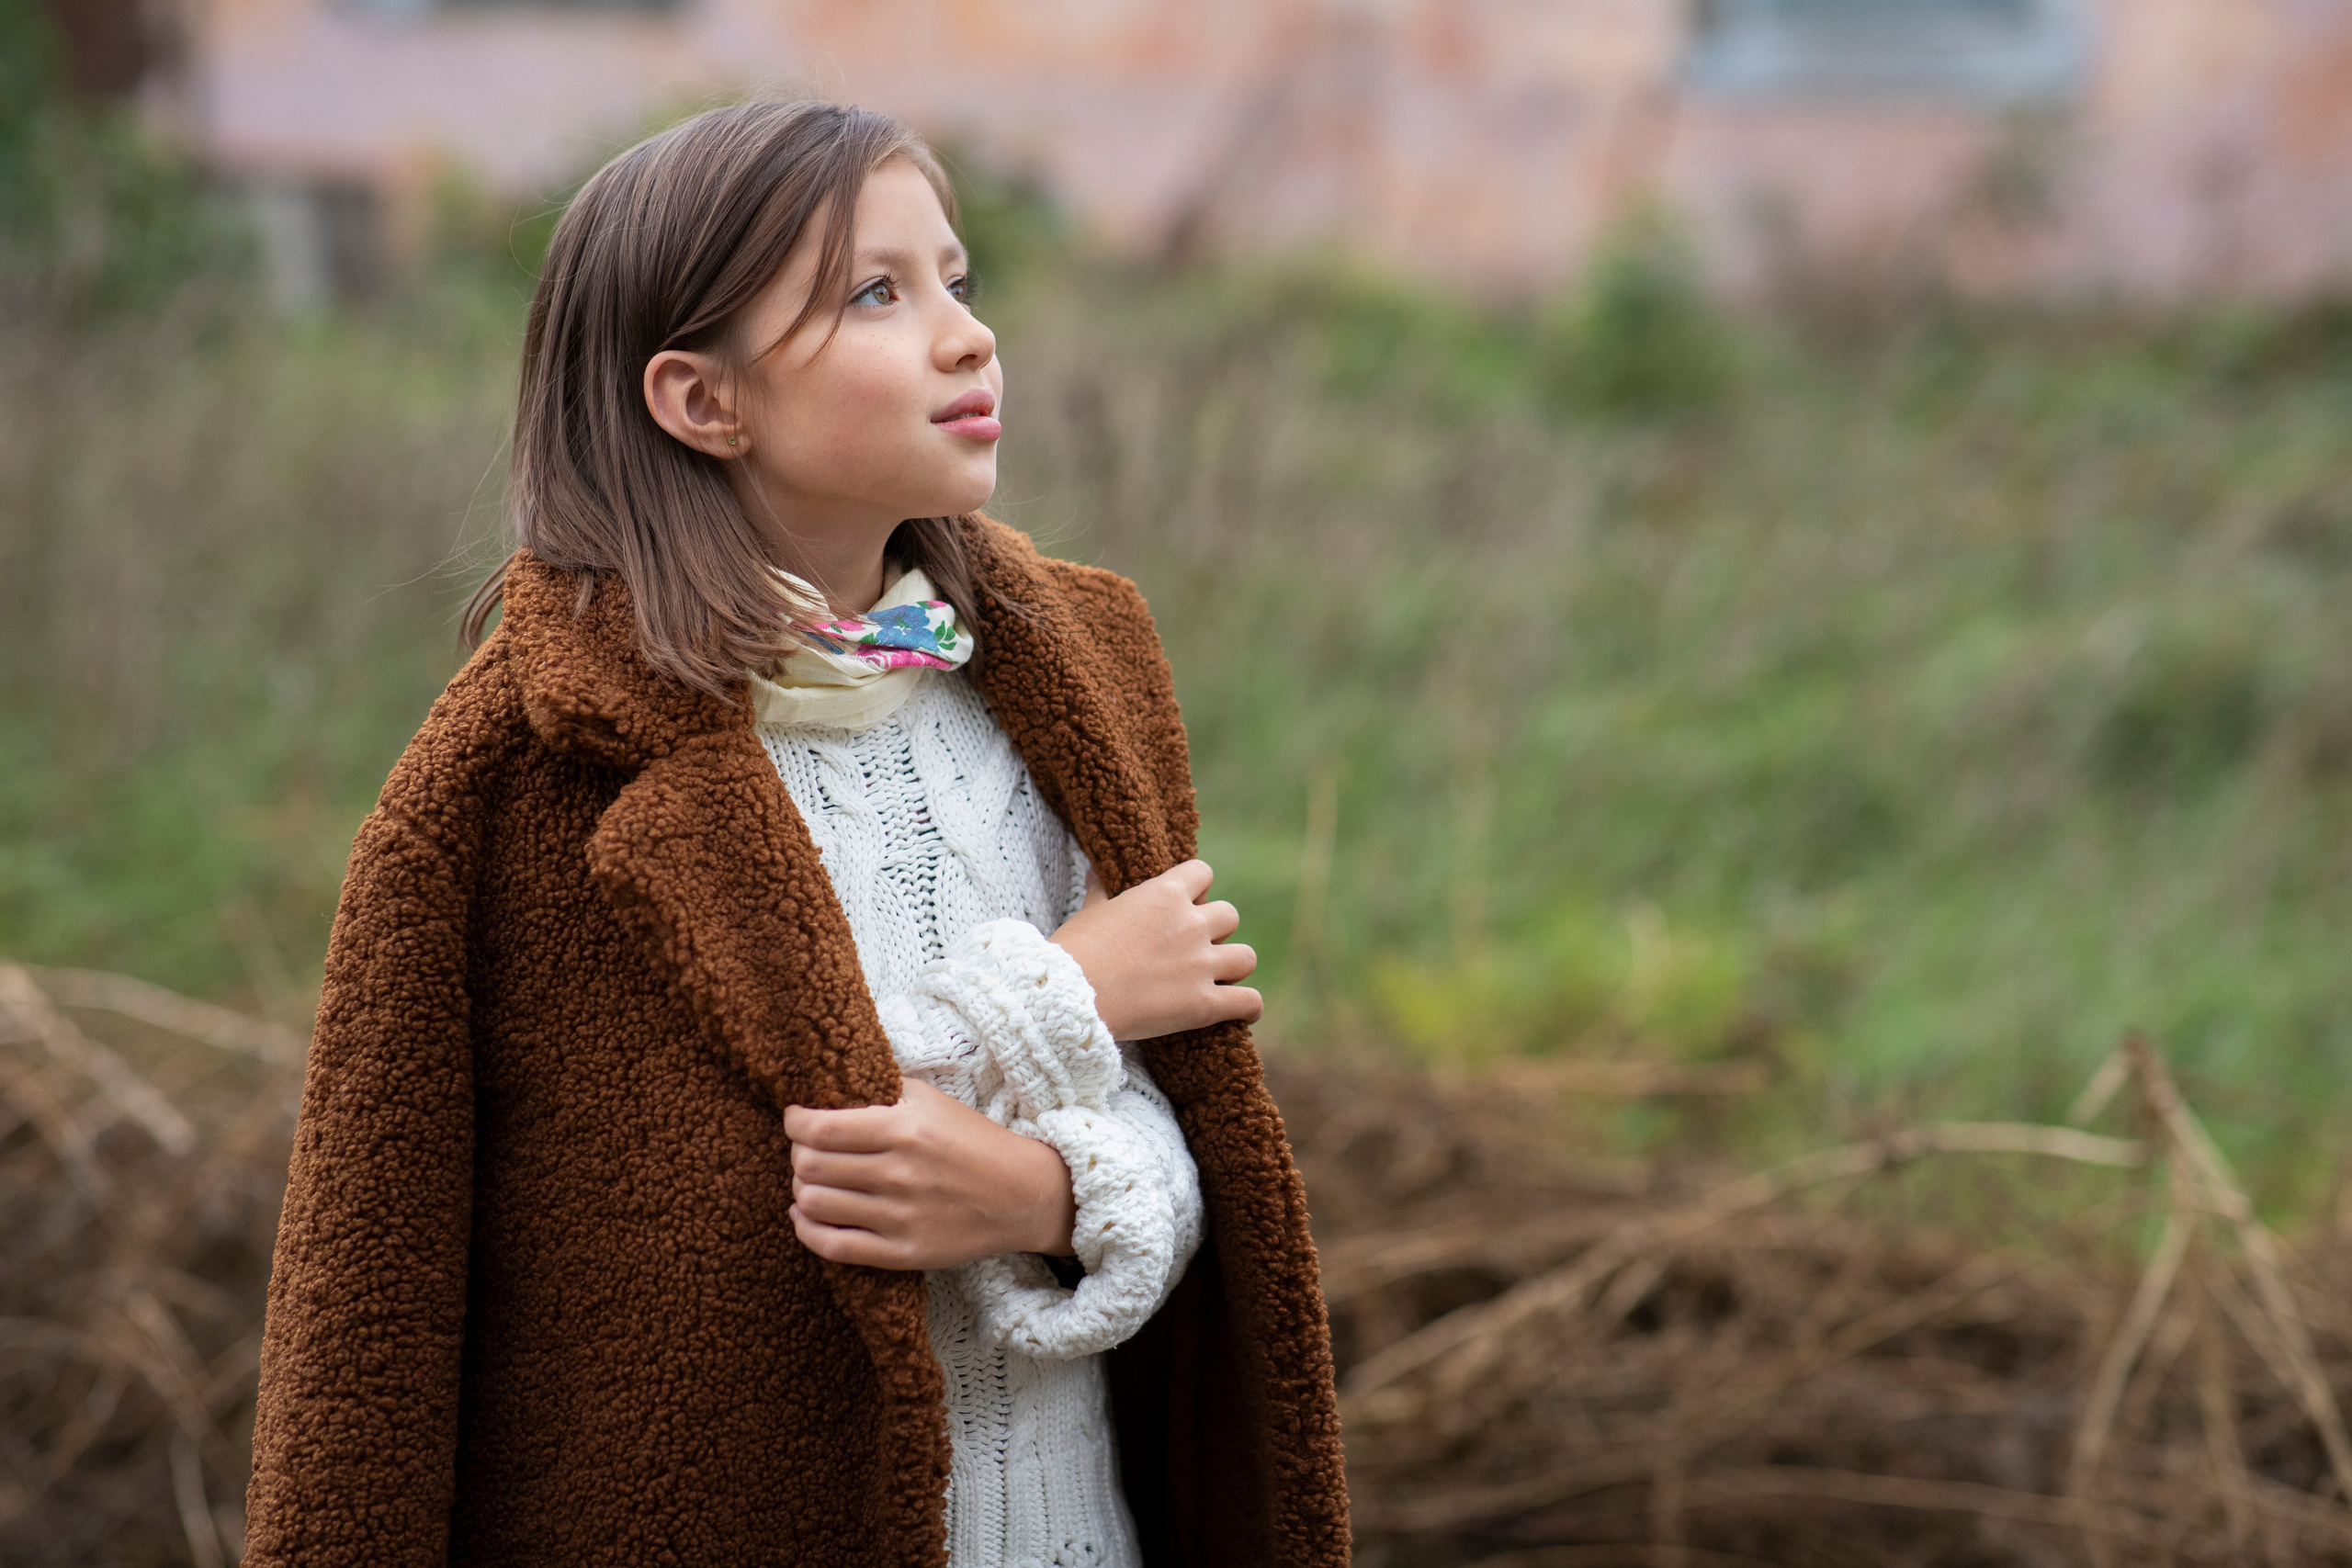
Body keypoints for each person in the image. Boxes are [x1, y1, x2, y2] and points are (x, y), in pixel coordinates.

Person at [240, 100, 1348, 1567]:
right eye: (877, 295)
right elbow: (379, 1310)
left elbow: (1187, 1151)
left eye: (959, 278)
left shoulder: (1070, 673)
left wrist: (1042, 1191)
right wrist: (1060, 994)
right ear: (703, 401)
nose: (967, 335)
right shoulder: (509, 778)